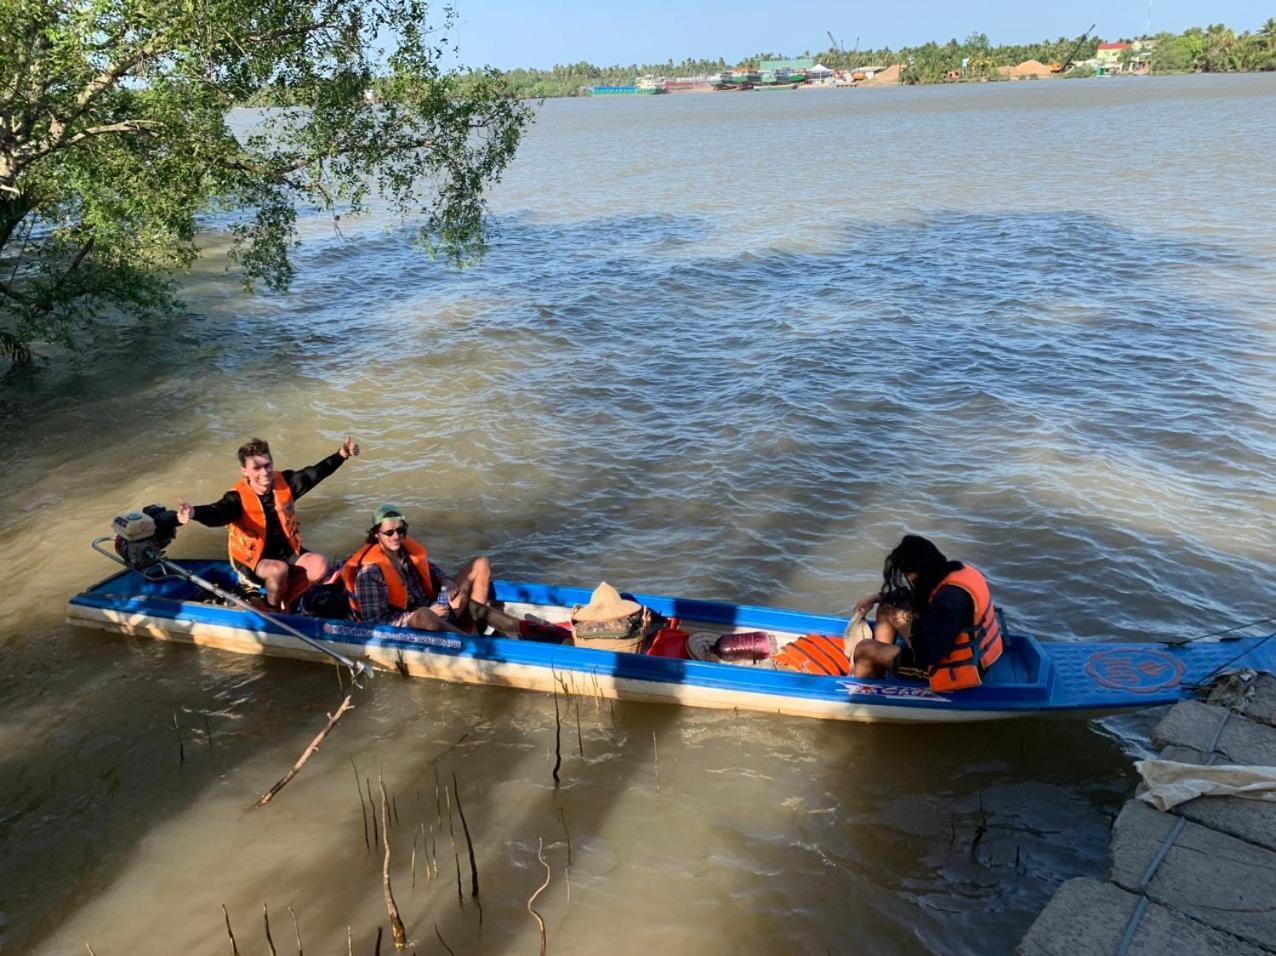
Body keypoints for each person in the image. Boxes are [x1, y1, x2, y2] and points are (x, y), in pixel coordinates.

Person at [177, 436, 359, 608]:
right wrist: (194, 512)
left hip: (287, 552)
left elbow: (315, 473)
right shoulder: (236, 498)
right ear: (245, 471)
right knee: (278, 570)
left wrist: (342, 454)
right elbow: (217, 512)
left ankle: (286, 603)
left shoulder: (285, 482)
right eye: (256, 468)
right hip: (253, 560)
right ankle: (272, 609)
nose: (264, 473)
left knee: (320, 565)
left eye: (267, 465)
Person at [342, 504, 539, 637]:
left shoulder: (406, 551)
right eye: (389, 533)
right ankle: (469, 642)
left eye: (400, 531)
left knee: (481, 563)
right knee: (424, 615)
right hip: (416, 623)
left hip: (437, 607)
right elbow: (376, 622)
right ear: (376, 534)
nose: (396, 536)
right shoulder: (370, 572)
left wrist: (445, 580)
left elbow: (431, 569)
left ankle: (476, 628)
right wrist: (427, 612)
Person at [849, 534, 1004, 692]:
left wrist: (909, 626)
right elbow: (919, 595)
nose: (908, 578)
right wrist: (876, 598)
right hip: (966, 649)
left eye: (909, 574)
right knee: (886, 609)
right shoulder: (954, 572)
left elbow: (929, 655)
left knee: (864, 649)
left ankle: (867, 693)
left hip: (954, 668)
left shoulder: (948, 601)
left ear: (922, 570)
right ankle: (878, 668)